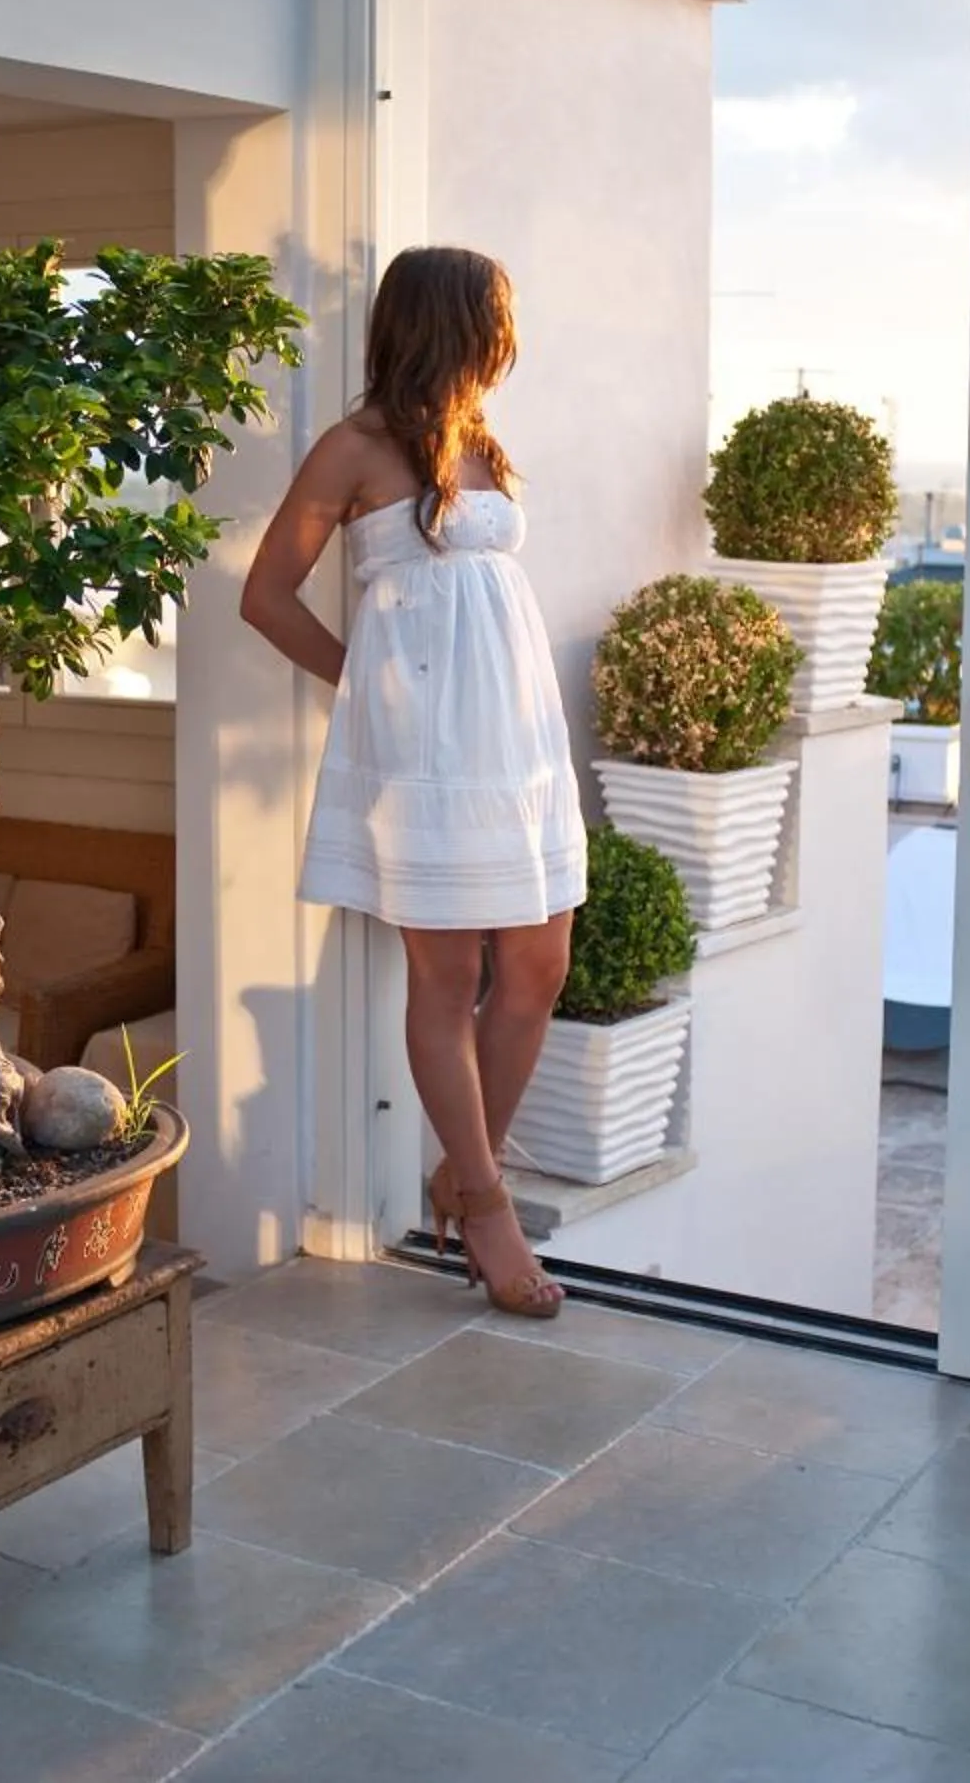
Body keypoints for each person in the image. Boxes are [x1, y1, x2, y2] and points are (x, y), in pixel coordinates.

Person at [240, 246, 586, 1319]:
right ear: (454, 326)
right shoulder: (353, 449)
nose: (507, 345)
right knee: (442, 979)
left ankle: (458, 1172)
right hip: (424, 757)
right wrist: (368, 687)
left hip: (518, 743)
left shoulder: (479, 439)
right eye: (497, 323)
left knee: (537, 963)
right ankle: (485, 1206)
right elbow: (265, 594)